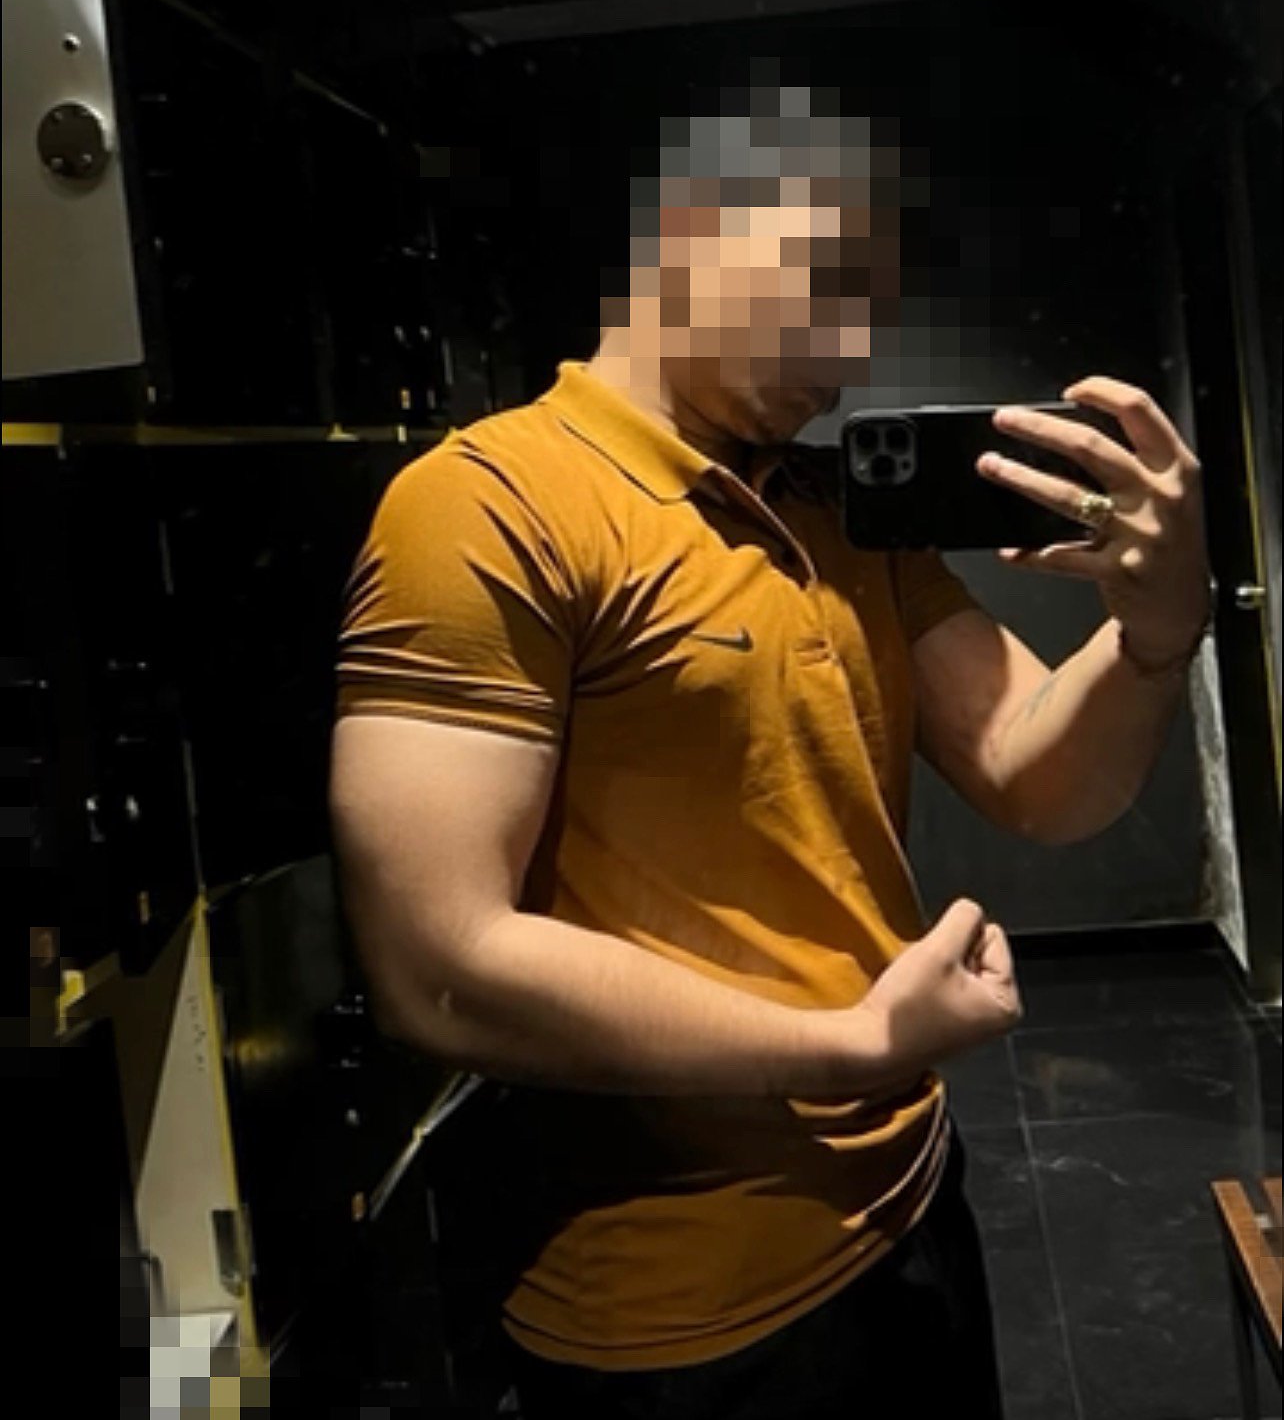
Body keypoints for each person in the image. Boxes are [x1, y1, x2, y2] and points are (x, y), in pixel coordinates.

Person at [328, 71, 1212, 1419]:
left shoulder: (837, 509)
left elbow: (1041, 776)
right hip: (680, 1315)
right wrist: (850, 1044)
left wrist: (1155, 632)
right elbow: (436, 963)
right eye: (831, 281)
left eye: (876, 306)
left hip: (911, 1199)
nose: (852, 347)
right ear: (689, 223)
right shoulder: (486, 505)